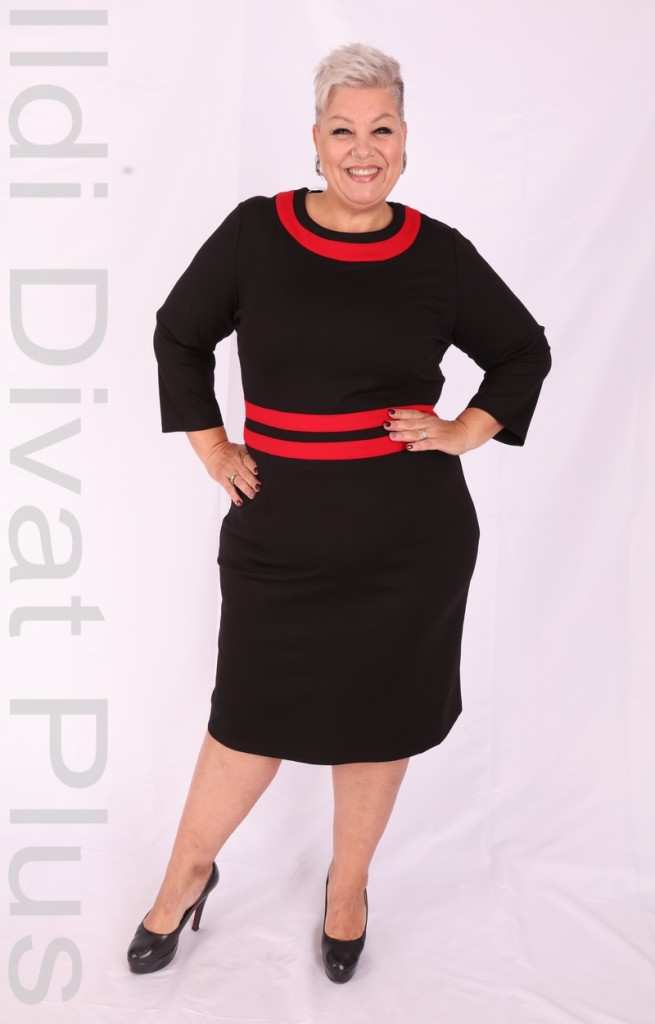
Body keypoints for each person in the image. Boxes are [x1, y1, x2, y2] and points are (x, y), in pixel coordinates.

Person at [127, 42, 551, 983]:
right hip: (279, 536)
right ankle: (186, 875)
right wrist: (212, 448)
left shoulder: (438, 253)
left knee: (378, 721)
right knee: (246, 720)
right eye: (343, 130)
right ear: (315, 140)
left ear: (405, 140)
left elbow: (523, 350)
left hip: (410, 545)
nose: (364, 150)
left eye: (381, 129)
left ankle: (347, 889)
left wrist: (465, 429)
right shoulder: (256, 233)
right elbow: (178, 334)